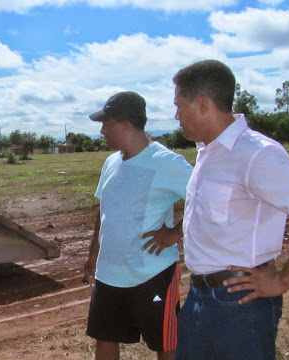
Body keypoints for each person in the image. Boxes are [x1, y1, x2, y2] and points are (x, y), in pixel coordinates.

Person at [172, 59, 289, 359]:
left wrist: (283, 280)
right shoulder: (208, 152)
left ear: (203, 104)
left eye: (179, 106)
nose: (176, 116)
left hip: (240, 305)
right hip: (198, 297)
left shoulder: (256, 153)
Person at [84, 91, 193, 360]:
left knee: (165, 342)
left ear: (126, 126)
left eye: (105, 124)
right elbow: (104, 209)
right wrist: (92, 254)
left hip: (152, 274)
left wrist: (174, 233)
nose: (101, 131)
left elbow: (206, 197)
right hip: (109, 274)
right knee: (105, 337)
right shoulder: (111, 162)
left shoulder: (167, 162)